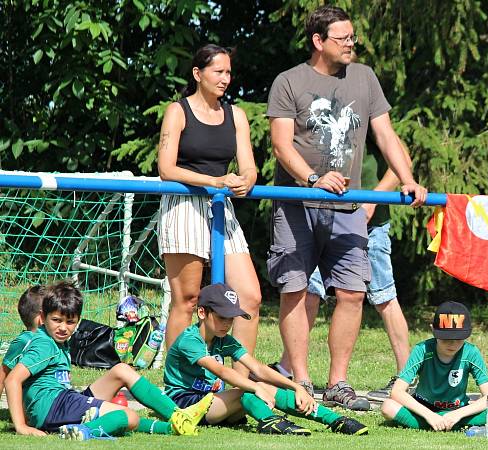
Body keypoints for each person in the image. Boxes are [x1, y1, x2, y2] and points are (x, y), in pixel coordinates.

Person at [266, 4, 427, 411]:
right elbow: (281, 145)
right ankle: (300, 381)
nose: (352, 43)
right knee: (295, 290)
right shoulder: (289, 81)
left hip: (348, 204)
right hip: (297, 203)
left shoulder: (365, 78)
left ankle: (338, 383)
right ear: (319, 42)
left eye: (353, 36)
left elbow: (386, 135)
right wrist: (313, 179)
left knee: (353, 293)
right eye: (343, 38)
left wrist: (405, 177)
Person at [271, 138, 413, 401]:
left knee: (383, 296)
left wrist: (374, 200)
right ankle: (287, 368)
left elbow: (402, 160)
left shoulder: (369, 118)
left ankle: (407, 375)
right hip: (322, 216)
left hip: (369, 221)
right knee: (308, 293)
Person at [157, 44, 261, 367]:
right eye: (219, 71)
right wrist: (215, 181)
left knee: (250, 296)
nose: (225, 78)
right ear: (198, 74)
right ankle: (175, 386)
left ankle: (242, 380)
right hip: (184, 205)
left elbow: (249, 167)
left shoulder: (236, 115)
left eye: (229, 72)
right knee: (187, 301)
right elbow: (166, 168)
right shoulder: (178, 111)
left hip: (221, 208)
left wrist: (247, 179)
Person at [4, 281, 212, 440]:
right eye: (57, 320)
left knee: (121, 370)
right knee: (127, 416)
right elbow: (12, 379)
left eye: (70, 322)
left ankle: (177, 419)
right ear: (43, 316)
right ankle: (83, 431)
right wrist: (22, 426)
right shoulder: (43, 344)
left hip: (62, 402)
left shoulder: (55, 340)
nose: (63, 327)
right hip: (55, 408)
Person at [164, 283, 368, 436]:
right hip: (184, 406)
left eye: (230, 318)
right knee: (249, 390)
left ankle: (335, 420)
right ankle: (270, 422)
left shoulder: (223, 339)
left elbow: (258, 368)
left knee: (259, 387)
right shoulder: (189, 340)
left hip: (213, 404)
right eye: (221, 317)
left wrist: (296, 387)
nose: (226, 324)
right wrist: (255, 388)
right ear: (202, 312)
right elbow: (224, 372)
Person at [380, 301, 488, 431]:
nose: (452, 344)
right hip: (423, 410)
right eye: (446, 338)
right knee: (388, 407)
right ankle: (442, 424)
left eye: (459, 338)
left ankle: (437, 424)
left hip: (457, 412)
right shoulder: (422, 350)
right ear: (433, 330)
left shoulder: (471, 352)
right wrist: (429, 416)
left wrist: (458, 414)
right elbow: (397, 392)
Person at [0, 285, 45, 400]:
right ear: (43, 317)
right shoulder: (25, 342)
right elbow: (3, 374)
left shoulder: (55, 342)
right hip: (33, 407)